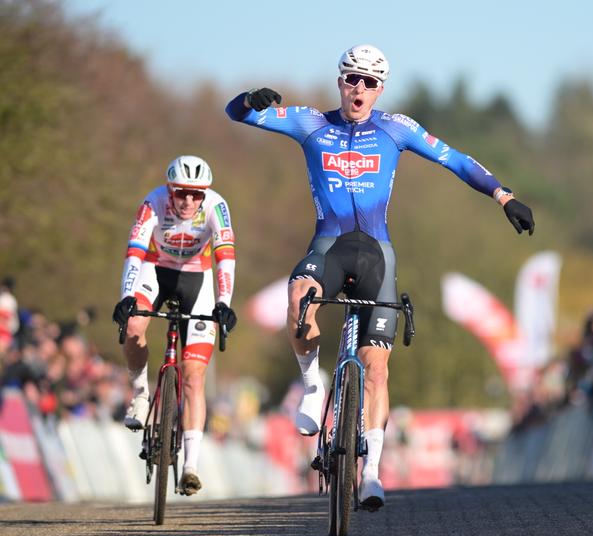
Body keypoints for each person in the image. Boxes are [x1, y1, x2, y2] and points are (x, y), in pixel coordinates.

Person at [225, 44, 534, 510]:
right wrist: (252, 98)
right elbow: (237, 115)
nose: (360, 89)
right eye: (353, 79)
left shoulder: (396, 128)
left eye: (370, 82)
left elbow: (455, 159)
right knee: (298, 296)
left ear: (380, 89)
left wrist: (503, 196)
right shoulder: (311, 123)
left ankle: (371, 473)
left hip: (376, 254)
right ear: (340, 81)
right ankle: (313, 385)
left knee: (376, 368)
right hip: (328, 246)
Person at [111, 155, 238, 496]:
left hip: (197, 279)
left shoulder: (217, 205)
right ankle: (139, 395)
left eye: (196, 194)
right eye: (181, 192)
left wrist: (224, 304)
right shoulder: (152, 203)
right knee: (135, 324)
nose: (188, 201)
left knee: (194, 374)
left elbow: (226, 255)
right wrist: (126, 295)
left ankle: (191, 467)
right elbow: (135, 252)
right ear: (170, 189)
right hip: (157, 271)